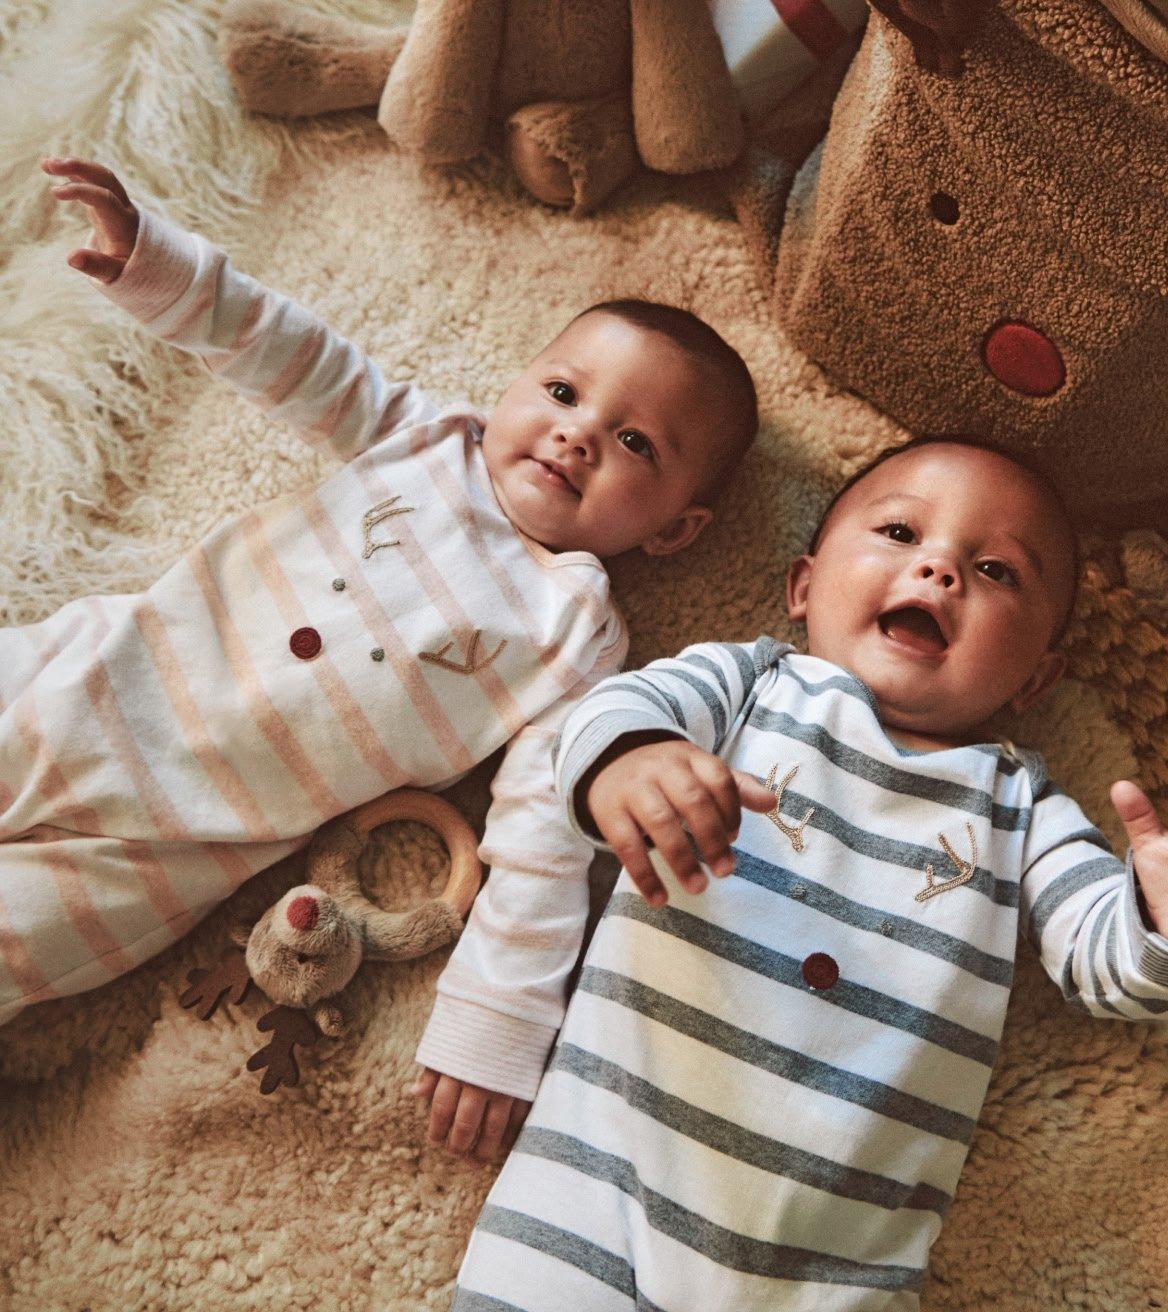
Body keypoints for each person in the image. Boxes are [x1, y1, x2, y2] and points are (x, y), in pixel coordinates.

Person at [444, 436, 1168, 1309]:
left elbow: (1104, 968)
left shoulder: (1020, 807)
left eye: (998, 571)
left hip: (830, 1270)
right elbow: (615, 709)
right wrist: (632, 763)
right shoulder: (751, 686)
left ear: (1036, 677)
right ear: (804, 587)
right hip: (593, 1188)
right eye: (897, 531)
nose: (939, 569)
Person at [2, 159, 756, 1060]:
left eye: (635, 442)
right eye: (562, 391)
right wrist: (157, 265)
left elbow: (538, 825)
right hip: (97, 673)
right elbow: (290, 356)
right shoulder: (423, 440)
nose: (579, 432)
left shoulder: (577, 637)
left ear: (675, 532)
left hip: (181, 844)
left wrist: (499, 1015)